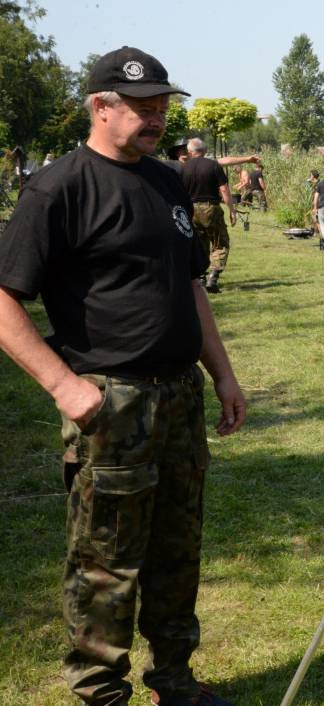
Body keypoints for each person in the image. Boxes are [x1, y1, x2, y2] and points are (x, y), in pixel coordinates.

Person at [0, 45, 246, 706]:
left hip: (179, 395)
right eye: (142, 107)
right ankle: (102, 693)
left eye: (162, 105)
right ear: (100, 107)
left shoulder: (167, 181)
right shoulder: (59, 187)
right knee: (105, 559)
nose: (156, 117)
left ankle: (175, 681)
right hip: (112, 401)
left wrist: (221, 374)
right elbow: (3, 299)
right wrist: (64, 386)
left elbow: (190, 286)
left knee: (177, 549)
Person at [180, 138, 236, 293]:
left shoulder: (183, 168)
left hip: (190, 210)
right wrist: (232, 210)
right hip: (210, 208)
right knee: (220, 243)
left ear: (190, 152)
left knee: (200, 244)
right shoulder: (213, 165)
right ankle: (213, 276)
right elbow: (224, 189)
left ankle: (201, 277)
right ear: (205, 150)